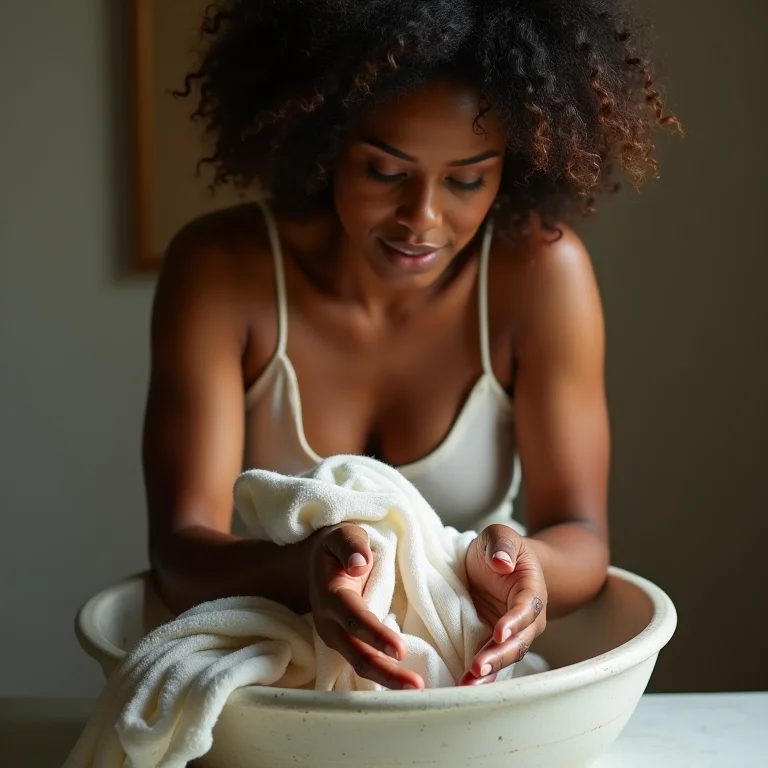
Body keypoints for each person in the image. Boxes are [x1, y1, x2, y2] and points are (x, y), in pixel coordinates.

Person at [142, 0, 680, 691]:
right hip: (283, 691)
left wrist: (528, 566)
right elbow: (178, 551)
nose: (422, 219)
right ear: (325, 138)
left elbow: (578, 531)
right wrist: (301, 572)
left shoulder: (542, 277)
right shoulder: (222, 271)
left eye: (465, 180)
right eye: (384, 172)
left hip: (473, 690)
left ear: (509, 168)